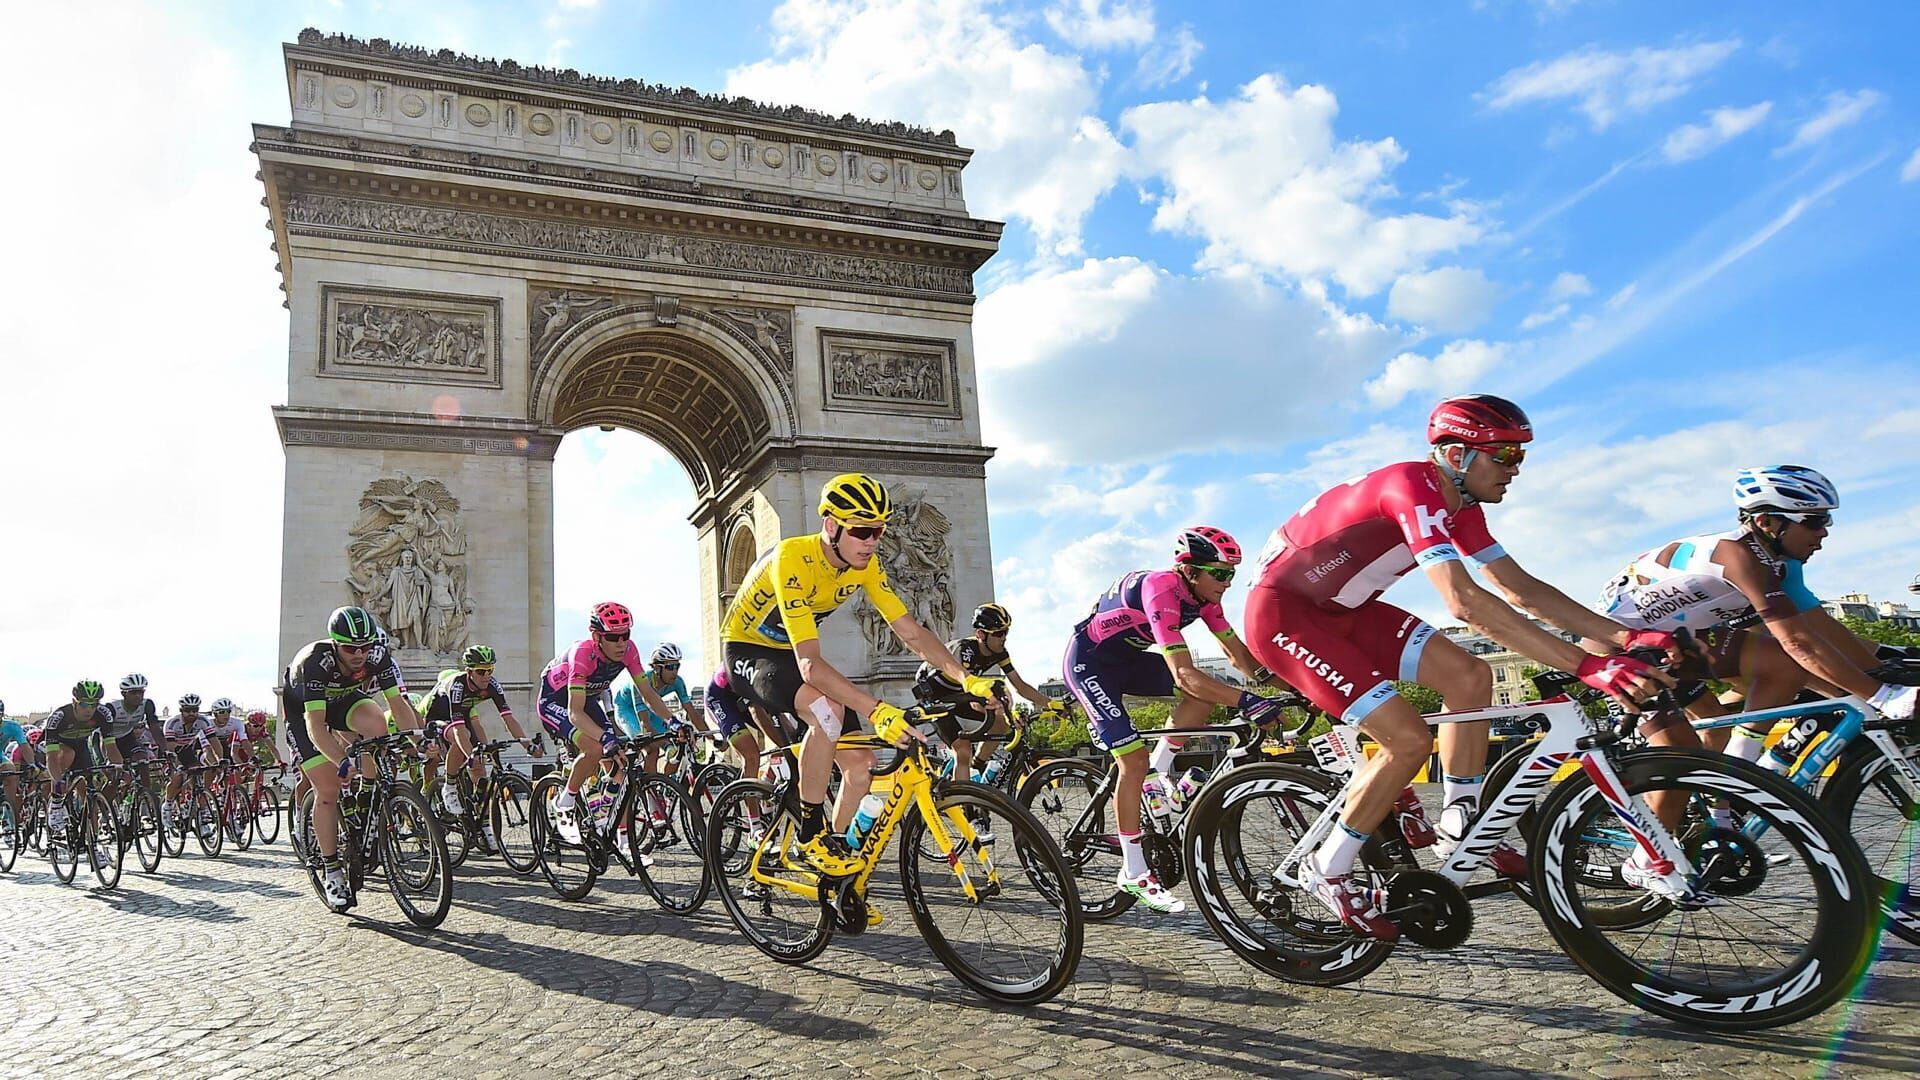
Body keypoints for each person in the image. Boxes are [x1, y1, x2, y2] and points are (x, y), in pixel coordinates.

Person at [1245, 394, 1672, 939]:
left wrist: (1624, 637)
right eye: (1505, 457)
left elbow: (1519, 589)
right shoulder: (1413, 489)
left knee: (1472, 677)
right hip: (1286, 618)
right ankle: (1326, 867)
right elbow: (1464, 603)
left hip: (1346, 613)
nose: (1515, 471)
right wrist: (1586, 664)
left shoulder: (1461, 507)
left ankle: (1461, 819)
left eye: (1520, 457)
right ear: (1455, 454)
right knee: (1405, 739)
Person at [1594, 465, 1919, 883]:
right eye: (1815, 521)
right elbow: (1799, 642)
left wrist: (1896, 660)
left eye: (1828, 521)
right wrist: (1883, 695)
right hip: (1620, 648)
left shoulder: (1782, 563)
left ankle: (1731, 787)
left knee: (1788, 669)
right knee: (1683, 753)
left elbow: (1827, 633)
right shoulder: (1741, 557)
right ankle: (1645, 857)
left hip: (1683, 642)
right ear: (1768, 522)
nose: (1824, 533)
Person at [717, 473, 1001, 917]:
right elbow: (810, 665)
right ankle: (811, 827)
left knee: (861, 765)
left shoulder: (867, 566)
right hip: (750, 650)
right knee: (827, 708)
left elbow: (910, 630)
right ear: (831, 526)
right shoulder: (794, 556)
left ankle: (837, 864)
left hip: (793, 650)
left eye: (881, 531)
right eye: (863, 531)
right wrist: (877, 709)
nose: (873, 542)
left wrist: (968, 679)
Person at [1062, 527, 1283, 913]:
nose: (1228, 583)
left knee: (1204, 696)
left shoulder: (1205, 599)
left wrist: (1291, 686)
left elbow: (1239, 658)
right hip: (1090, 663)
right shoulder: (1162, 589)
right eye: (1221, 573)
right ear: (1189, 569)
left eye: (1231, 573)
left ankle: (1161, 777)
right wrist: (1245, 701)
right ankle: (1132, 871)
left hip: (1130, 662)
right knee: (1133, 760)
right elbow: (1182, 674)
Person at [280, 605, 421, 912]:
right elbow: (316, 726)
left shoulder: (378, 656)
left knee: (376, 723)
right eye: (350, 648)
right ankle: (331, 870)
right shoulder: (316, 662)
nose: (359, 654)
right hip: (305, 712)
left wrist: (417, 742)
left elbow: (397, 704)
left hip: (343, 699)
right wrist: (342, 760)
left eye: (364, 647)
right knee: (328, 788)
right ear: (335, 643)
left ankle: (367, 792)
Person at [536, 602, 675, 845]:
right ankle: (565, 803)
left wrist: (673, 722)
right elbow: (575, 714)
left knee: (621, 762)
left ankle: (614, 830)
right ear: (596, 636)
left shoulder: (630, 650)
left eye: (626, 635)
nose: (621, 642)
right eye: (613, 637)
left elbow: (648, 694)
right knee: (596, 748)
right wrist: (604, 738)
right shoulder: (582, 654)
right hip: (556, 702)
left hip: (587, 698)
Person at [914, 603, 1057, 780]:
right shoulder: (964, 650)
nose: (1004, 638)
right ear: (980, 634)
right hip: (934, 696)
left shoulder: (999, 652)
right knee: (963, 749)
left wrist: (1051, 703)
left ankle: (977, 766)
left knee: (1001, 722)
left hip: (960, 694)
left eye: (1006, 632)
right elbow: (968, 684)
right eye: (998, 633)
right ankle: (961, 803)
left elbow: (1020, 685)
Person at [420, 645, 541, 844]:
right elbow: (459, 730)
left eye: (490, 670)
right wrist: (470, 756)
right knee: (463, 740)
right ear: (469, 671)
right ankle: (449, 786)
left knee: (480, 774)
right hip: (437, 717)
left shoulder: (492, 685)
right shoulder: (458, 685)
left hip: (461, 717)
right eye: (481, 671)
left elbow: (509, 719)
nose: (486, 675)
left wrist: (527, 745)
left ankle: (484, 826)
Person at [42, 681, 108, 854]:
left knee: (89, 796)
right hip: (56, 747)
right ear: (74, 702)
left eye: (94, 704)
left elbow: (109, 746)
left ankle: (93, 844)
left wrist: (110, 768)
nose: (89, 709)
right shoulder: (59, 717)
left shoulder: (102, 715)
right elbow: (52, 758)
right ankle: (56, 802)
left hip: (81, 747)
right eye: (84, 704)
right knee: (67, 757)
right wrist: (58, 783)